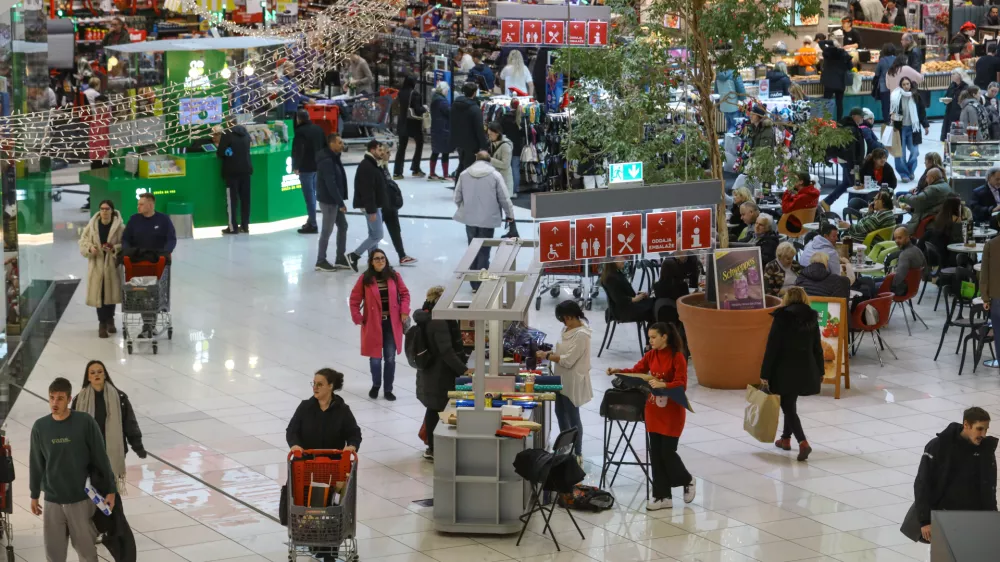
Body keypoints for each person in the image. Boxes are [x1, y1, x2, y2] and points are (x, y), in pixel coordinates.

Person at [607, 323, 695, 510]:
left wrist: (663, 385)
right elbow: (637, 371)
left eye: (654, 337)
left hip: (672, 412)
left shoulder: (677, 357)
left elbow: (681, 384)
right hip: (654, 410)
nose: (650, 341)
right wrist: (618, 371)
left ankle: (687, 479)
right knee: (655, 454)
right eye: (649, 337)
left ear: (665, 337)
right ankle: (662, 496)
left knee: (667, 453)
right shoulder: (650, 355)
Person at [30, 377, 117, 562]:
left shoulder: (84, 422)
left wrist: (111, 489)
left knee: (86, 551)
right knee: (54, 553)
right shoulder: (40, 427)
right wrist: (34, 494)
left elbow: (101, 457)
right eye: (52, 397)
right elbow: (36, 462)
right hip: (53, 499)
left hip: (80, 498)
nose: (55, 402)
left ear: (69, 399)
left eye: (60, 398)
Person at [900, 407, 997, 544]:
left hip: (972, 518)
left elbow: (989, 488)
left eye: (986, 429)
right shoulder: (939, 446)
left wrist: (992, 518)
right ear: (966, 425)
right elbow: (923, 483)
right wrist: (925, 521)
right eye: (979, 429)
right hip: (944, 516)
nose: (983, 434)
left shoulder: (985, 451)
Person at [760, 288, 824, 462]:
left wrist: (765, 373)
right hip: (806, 367)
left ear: (787, 299)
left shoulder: (782, 317)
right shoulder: (812, 317)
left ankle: (803, 442)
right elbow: (817, 347)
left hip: (784, 368)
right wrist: (821, 370)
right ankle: (785, 439)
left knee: (788, 406)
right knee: (790, 402)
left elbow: (772, 347)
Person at [71, 361, 145, 493]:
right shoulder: (79, 400)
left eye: (100, 372)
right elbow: (73, 428)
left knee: (111, 489)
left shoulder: (119, 397)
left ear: (105, 375)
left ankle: (113, 512)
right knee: (94, 490)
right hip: (90, 453)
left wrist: (138, 446)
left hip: (112, 450)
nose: (96, 375)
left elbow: (129, 422)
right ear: (88, 377)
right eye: (92, 373)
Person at [414, 286, 468, 460]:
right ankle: (433, 448)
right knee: (436, 408)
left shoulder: (427, 316)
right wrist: (464, 370)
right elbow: (447, 352)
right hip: (439, 373)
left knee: (434, 408)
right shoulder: (438, 321)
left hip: (430, 372)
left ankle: (433, 446)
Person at [349, 250, 410, 401]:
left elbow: (404, 294)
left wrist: (404, 311)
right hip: (373, 323)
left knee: (390, 358)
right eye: (377, 259)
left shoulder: (394, 276)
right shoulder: (365, 279)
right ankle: (376, 385)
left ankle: (388, 389)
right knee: (375, 358)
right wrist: (358, 317)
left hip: (391, 322)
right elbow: (354, 299)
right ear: (371, 261)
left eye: (383, 258)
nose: (380, 261)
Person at [537, 301, 593, 461]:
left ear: (570, 316)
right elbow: (562, 352)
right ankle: (564, 448)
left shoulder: (582, 335)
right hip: (560, 377)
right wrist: (550, 353)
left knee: (573, 416)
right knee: (560, 412)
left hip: (572, 380)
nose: (563, 322)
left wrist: (547, 356)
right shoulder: (567, 329)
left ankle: (577, 452)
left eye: (564, 319)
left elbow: (569, 360)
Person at [453, 152, 515, 291]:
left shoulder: (464, 174)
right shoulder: (494, 175)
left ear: (476, 159)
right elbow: (504, 198)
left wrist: (465, 209)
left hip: (469, 219)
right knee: (484, 250)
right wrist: (510, 215)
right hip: (488, 219)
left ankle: (473, 282)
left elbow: (457, 197)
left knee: (472, 248)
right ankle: (481, 281)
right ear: (489, 161)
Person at [79, 200, 123, 338]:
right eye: (102, 209)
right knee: (100, 294)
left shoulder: (120, 227)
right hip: (97, 264)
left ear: (112, 210)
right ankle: (102, 323)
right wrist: (90, 248)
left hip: (112, 265)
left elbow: (125, 244)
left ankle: (110, 320)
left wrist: (114, 248)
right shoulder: (92, 226)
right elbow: (83, 241)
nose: (104, 211)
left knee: (111, 293)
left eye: (107, 209)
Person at [344, 140, 389, 272]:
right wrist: (372, 210)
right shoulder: (367, 166)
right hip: (371, 206)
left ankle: (373, 260)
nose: (382, 153)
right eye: (379, 150)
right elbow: (367, 190)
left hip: (374, 205)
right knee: (377, 235)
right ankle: (354, 255)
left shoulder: (373, 164)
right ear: (372, 150)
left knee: (373, 234)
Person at [314, 133, 350, 272]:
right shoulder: (327, 160)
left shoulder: (334, 157)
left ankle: (340, 257)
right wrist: (340, 203)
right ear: (331, 144)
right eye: (339, 142)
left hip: (334, 200)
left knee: (343, 225)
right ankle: (320, 260)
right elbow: (331, 183)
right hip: (329, 201)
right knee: (327, 231)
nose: (342, 145)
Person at [378, 145, 417, 265]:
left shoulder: (384, 166)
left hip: (390, 205)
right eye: (387, 152)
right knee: (376, 234)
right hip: (383, 206)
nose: (390, 155)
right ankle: (366, 255)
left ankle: (402, 255)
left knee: (395, 230)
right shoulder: (377, 168)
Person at [215, 122, 253, 235]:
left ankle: (233, 227)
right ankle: (245, 226)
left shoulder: (227, 134)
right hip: (246, 169)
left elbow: (220, 152)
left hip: (232, 171)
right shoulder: (246, 133)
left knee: (232, 200)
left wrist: (225, 151)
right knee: (245, 199)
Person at [890, 77, 930, 182]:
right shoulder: (896, 97)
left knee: (915, 152)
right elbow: (891, 112)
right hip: (900, 129)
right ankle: (904, 173)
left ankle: (910, 170)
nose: (906, 86)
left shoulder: (915, 96)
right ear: (901, 86)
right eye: (903, 84)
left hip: (913, 128)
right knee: (900, 153)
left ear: (910, 85)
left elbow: (921, 112)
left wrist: (925, 125)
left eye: (907, 84)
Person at [292, 109, 326, 234]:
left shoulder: (300, 132)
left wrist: (296, 166)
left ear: (299, 119)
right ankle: (311, 220)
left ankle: (313, 223)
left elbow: (298, 150)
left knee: (309, 197)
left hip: (306, 167)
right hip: (317, 166)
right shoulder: (318, 129)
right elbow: (324, 146)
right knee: (313, 194)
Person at [450, 82, 489, 183]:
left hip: (458, 141)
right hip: (471, 143)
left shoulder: (455, 105)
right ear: (475, 93)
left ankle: (458, 188)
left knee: (461, 165)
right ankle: (466, 190)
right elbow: (479, 129)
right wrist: (484, 145)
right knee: (469, 168)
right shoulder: (474, 109)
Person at [599, 260, 656, 324]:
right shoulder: (611, 278)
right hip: (623, 311)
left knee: (653, 304)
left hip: (625, 307)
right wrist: (634, 299)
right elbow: (618, 299)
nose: (623, 260)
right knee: (654, 308)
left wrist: (639, 296)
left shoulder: (615, 274)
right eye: (621, 257)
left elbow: (622, 293)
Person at [393, 75, 427, 180]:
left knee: (401, 148)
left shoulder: (400, 93)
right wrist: (424, 108)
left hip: (402, 122)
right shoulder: (415, 94)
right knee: (419, 143)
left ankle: (397, 172)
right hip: (413, 123)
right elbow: (417, 110)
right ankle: (415, 168)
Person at [900, 167, 951, 233]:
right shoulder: (946, 185)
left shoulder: (932, 189)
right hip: (936, 220)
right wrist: (912, 209)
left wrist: (905, 197)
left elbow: (917, 201)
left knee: (898, 228)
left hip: (927, 222)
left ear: (932, 179)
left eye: (927, 177)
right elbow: (930, 205)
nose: (926, 179)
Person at [924, 198, 966, 267]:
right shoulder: (954, 221)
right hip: (949, 261)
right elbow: (958, 243)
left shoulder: (940, 219)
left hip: (937, 260)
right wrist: (958, 225)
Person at [819, 38, 853, 120]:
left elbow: (820, 42)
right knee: (839, 103)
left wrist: (831, 41)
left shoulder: (827, 52)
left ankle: (826, 121)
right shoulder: (844, 54)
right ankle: (839, 121)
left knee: (827, 102)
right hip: (840, 81)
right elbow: (850, 67)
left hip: (828, 81)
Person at [887, 227, 926, 296]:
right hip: (912, 288)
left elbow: (899, 278)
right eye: (895, 238)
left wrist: (888, 284)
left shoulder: (904, 255)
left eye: (899, 238)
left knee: (869, 286)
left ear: (907, 238)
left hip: (901, 290)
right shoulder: (917, 250)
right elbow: (925, 268)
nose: (897, 241)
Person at [429, 81, 451, 181]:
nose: (447, 93)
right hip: (444, 129)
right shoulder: (442, 101)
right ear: (444, 90)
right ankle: (445, 175)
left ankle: (432, 173)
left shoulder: (435, 98)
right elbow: (449, 113)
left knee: (435, 151)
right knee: (445, 151)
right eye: (447, 91)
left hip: (436, 128)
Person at [941, 69, 972, 141]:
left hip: (960, 113)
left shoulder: (966, 87)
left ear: (960, 75)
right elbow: (946, 96)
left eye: (954, 74)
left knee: (959, 134)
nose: (952, 75)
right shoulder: (952, 85)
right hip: (950, 111)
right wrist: (945, 100)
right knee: (948, 133)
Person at [501, 98, 523, 194]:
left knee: (506, 168)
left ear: (510, 105)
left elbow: (501, 131)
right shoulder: (521, 118)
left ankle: (507, 189)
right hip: (517, 146)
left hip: (506, 145)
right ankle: (515, 189)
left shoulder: (505, 117)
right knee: (515, 168)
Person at [487, 121, 515, 197]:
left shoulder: (505, 146)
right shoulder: (492, 142)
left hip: (504, 181)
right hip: (494, 180)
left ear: (497, 133)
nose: (489, 136)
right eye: (488, 134)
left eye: (491, 134)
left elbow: (505, 164)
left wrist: (489, 159)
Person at [873, 44, 898, 126]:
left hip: (884, 86)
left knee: (885, 105)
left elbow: (877, 73)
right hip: (895, 85)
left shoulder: (882, 60)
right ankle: (894, 119)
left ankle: (887, 121)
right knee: (894, 103)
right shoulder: (897, 60)